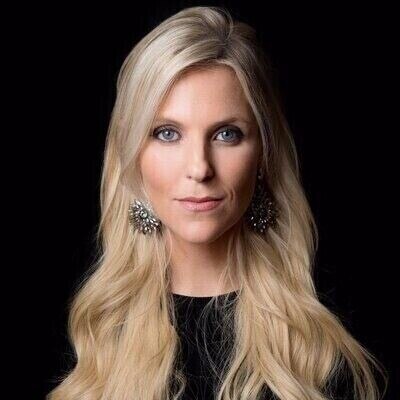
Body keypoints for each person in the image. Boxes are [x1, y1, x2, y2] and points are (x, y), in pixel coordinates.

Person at [47, 6, 388, 400]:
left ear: (263, 154)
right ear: (132, 154)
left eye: (227, 134)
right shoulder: (92, 343)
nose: (199, 168)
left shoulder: (322, 357)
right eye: (167, 133)